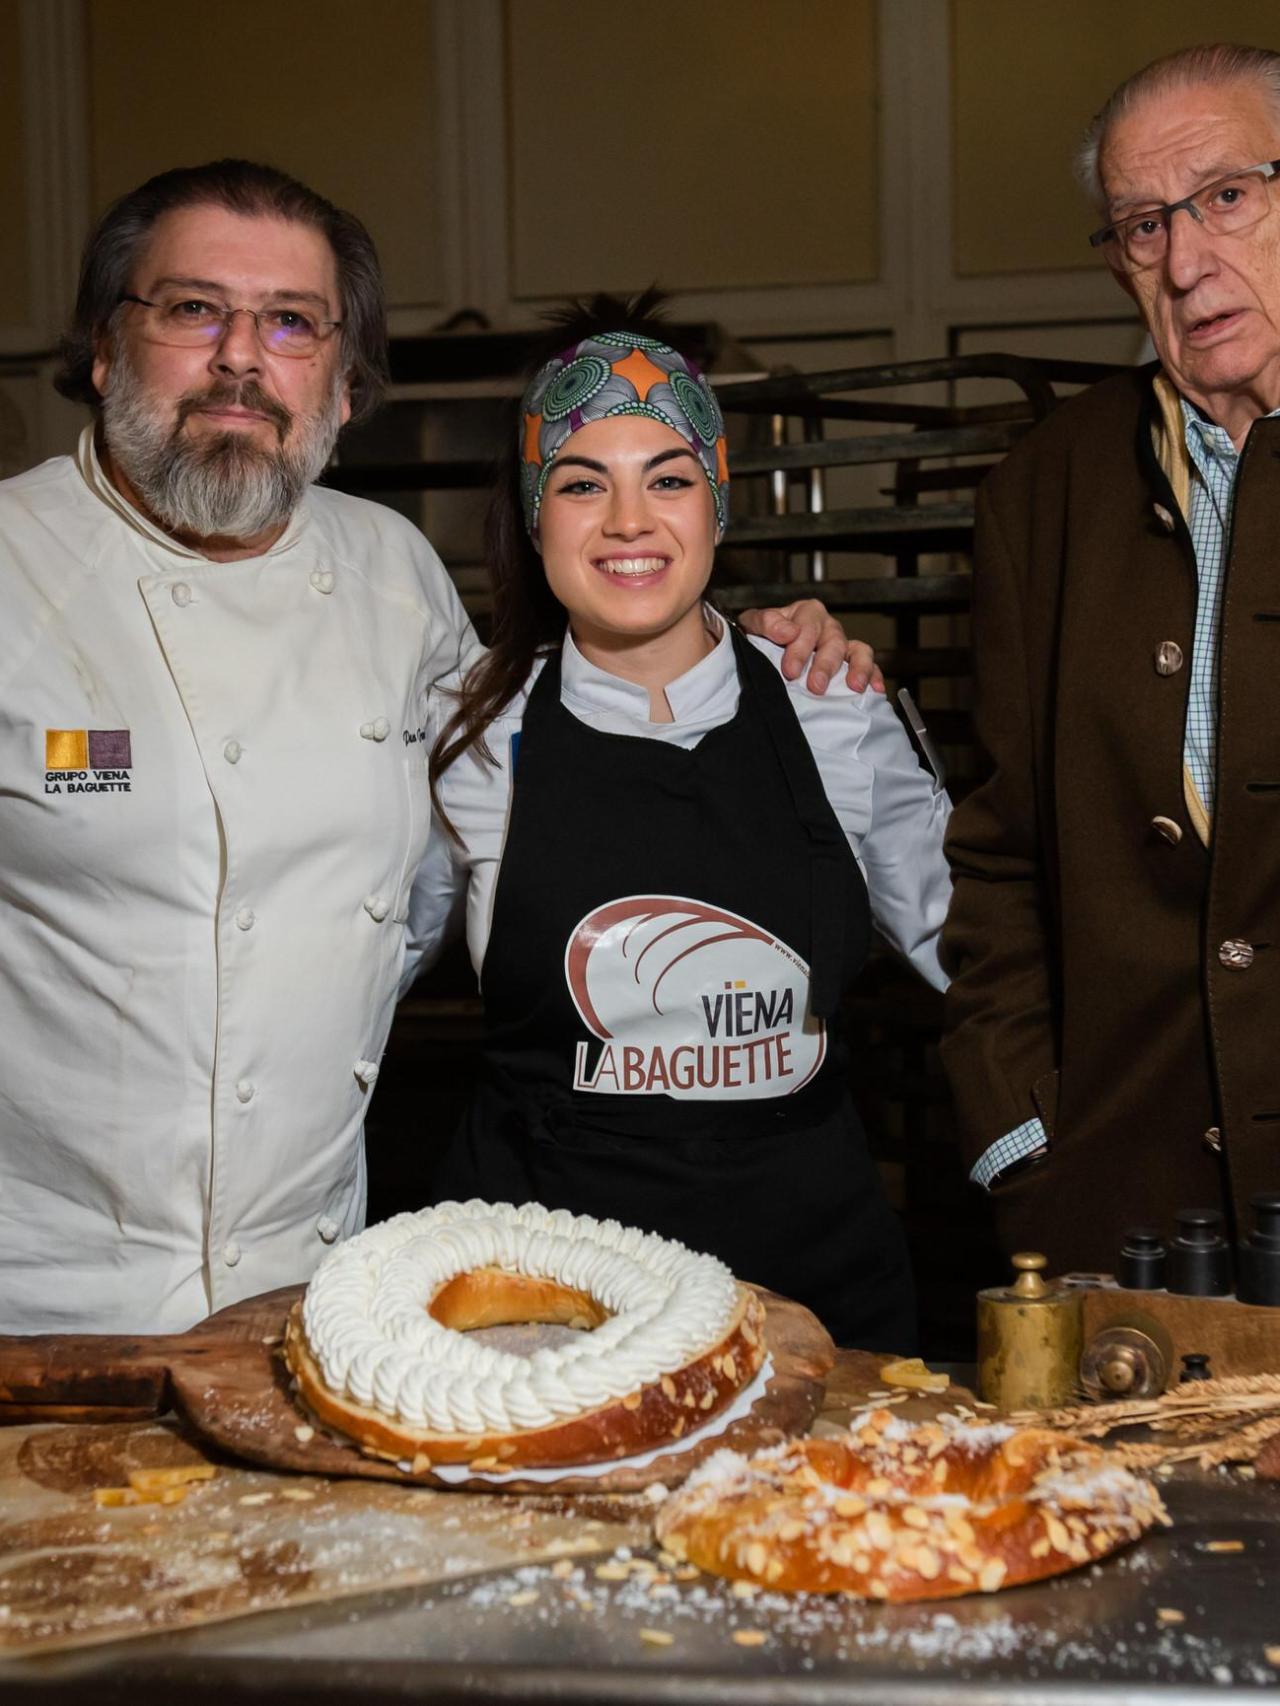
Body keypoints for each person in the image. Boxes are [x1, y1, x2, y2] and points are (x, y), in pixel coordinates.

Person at [0, 162, 869, 1335]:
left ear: (346, 386)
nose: (241, 360)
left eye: (292, 323)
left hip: (308, 1278)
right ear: (106, 348)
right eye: (194, 309)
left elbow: (549, 751)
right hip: (38, 1293)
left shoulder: (392, 572)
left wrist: (756, 650)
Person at [423, 297, 951, 1350]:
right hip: (542, 1305)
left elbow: (975, 959)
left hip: (808, 1294)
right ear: (536, 521)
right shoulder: (470, 730)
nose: (629, 521)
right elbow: (353, 968)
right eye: (582, 483)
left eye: (667, 478)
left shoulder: (830, 705)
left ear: (714, 502)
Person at [942, 44, 1280, 1274]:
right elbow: (992, 856)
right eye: (1142, 226)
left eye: (1227, 197)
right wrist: (1017, 1139)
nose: (1187, 263)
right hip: (1119, 1217)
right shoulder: (1043, 492)